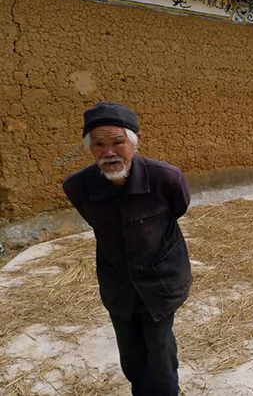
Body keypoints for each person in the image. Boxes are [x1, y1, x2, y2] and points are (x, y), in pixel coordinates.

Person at [62, 102, 192, 395]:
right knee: (131, 356)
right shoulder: (78, 187)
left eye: (118, 142)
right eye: (99, 144)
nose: (109, 152)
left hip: (161, 282)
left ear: (135, 142)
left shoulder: (165, 178)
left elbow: (179, 208)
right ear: (90, 148)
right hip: (118, 284)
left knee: (159, 352)